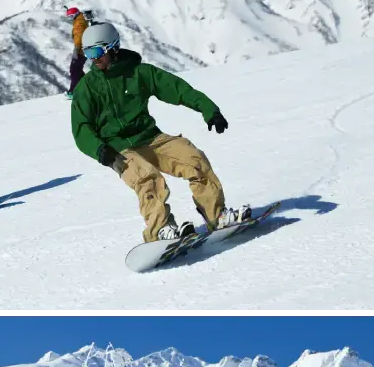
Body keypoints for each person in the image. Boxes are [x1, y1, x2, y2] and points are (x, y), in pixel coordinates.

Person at [71, 21, 245, 244]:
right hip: (117, 149)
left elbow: (178, 89)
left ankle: (216, 215)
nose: (93, 59)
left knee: (193, 158)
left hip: (149, 137)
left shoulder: (140, 73)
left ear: (113, 47)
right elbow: (81, 127)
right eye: (87, 53)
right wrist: (99, 148)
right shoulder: (87, 88)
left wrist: (209, 110)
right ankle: (161, 229)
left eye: (96, 51)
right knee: (147, 178)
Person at [65, 7, 89, 99]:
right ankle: (88, 87)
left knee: (74, 70)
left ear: (76, 14)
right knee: (77, 70)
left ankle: (74, 91)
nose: (70, 18)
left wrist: (77, 48)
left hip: (81, 50)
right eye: (68, 17)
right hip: (82, 49)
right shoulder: (80, 20)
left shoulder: (79, 22)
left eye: (71, 16)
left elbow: (79, 35)